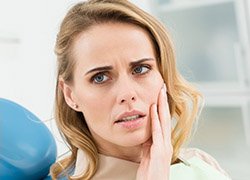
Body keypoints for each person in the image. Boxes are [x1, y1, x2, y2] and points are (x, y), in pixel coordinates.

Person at [50, 0, 231, 179]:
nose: (127, 93)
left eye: (140, 69)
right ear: (70, 94)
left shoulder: (200, 164)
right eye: (100, 77)